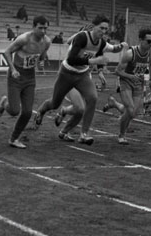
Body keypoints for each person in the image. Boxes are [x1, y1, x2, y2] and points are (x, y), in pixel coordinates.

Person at [34, 15, 126, 145]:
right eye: (101, 28)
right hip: (67, 73)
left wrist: (123, 45)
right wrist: (93, 61)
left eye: (106, 29)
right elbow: (71, 59)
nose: (104, 31)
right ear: (93, 27)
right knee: (55, 103)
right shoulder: (82, 37)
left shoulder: (101, 43)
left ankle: (83, 134)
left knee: (91, 99)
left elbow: (112, 49)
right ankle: (42, 110)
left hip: (82, 75)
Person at [0, 16, 51, 148]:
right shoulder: (24, 39)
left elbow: (42, 56)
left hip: (30, 77)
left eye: (45, 28)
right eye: (40, 28)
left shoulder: (47, 41)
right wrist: (13, 69)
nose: (43, 31)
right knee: (14, 111)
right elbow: (7, 52)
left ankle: (14, 138)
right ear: (33, 27)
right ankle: (4, 102)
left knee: (27, 112)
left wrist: (41, 62)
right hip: (16, 76)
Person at [102, 28, 151, 144]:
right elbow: (117, 71)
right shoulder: (130, 54)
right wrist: (131, 76)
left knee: (133, 112)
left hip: (138, 83)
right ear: (141, 40)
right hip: (125, 81)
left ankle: (114, 104)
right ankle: (121, 136)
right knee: (130, 110)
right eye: (149, 41)